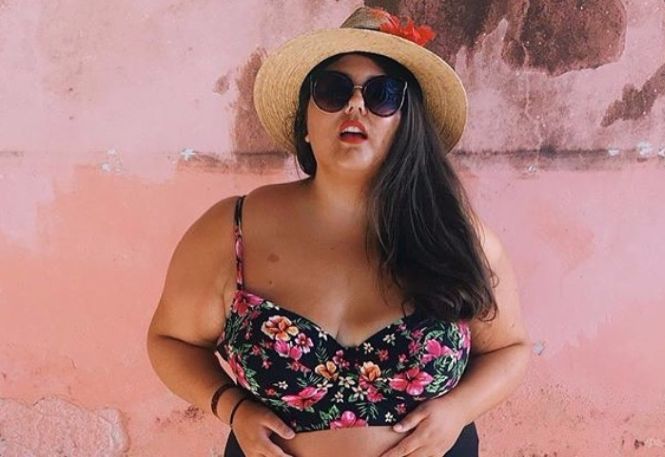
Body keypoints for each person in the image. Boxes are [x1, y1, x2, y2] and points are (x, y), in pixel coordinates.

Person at [147, 6, 531, 457]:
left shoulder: (458, 236)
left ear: (406, 124)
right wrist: (232, 408)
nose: (355, 106)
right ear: (306, 125)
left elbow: (510, 349)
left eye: (383, 94)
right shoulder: (233, 230)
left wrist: (457, 410)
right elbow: (170, 341)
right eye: (332, 90)